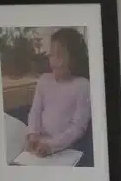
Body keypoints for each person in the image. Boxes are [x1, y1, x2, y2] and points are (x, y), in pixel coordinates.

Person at [25, 27, 91, 159]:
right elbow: (35, 111)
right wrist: (33, 134)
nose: (54, 61)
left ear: (74, 58)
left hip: (66, 148)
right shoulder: (43, 80)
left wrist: (52, 145)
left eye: (59, 55)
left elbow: (78, 127)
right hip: (40, 143)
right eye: (51, 55)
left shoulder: (83, 85)